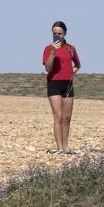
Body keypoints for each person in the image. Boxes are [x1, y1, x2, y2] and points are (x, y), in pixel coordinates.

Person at [43, 21, 80, 153]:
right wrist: (53, 52)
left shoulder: (70, 48)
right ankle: (59, 148)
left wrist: (71, 72)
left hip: (68, 84)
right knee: (58, 116)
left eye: (60, 33)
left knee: (67, 117)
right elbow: (48, 68)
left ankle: (65, 147)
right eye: (55, 34)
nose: (57, 36)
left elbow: (78, 65)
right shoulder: (48, 48)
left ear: (65, 33)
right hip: (54, 83)